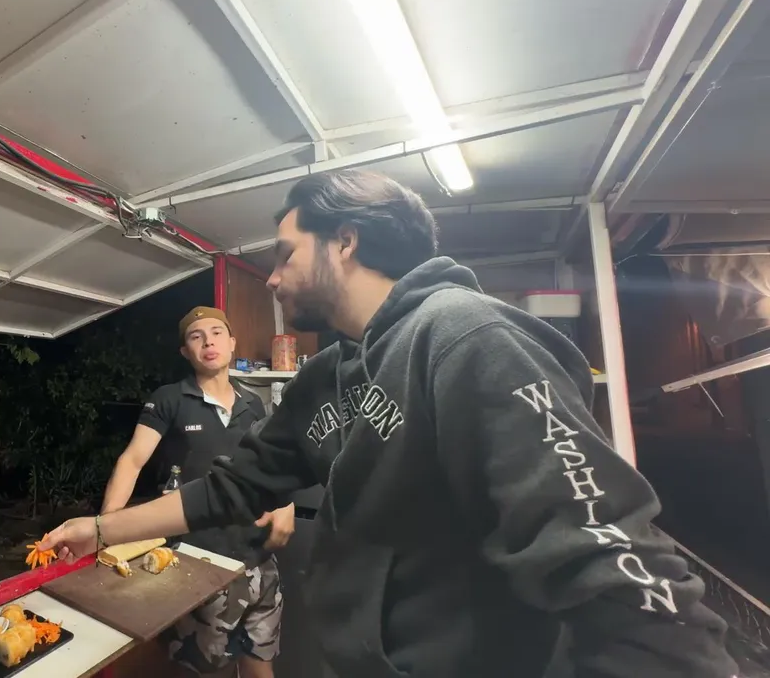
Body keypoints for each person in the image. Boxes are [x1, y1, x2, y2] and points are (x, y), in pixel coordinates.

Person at [40, 170, 738, 678]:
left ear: (344, 242)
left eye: (285, 254)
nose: (272, 279)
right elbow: (232, 488)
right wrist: (99, 530)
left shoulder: (466, 337)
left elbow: (606, 551)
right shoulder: (325, 378)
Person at [102, 306, 293, 677]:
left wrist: (285, 503)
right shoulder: (170, 399)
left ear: (232, 343)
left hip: (257, 558)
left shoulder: (253, 404)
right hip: (197, 559)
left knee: (260, 663)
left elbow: (271, 468)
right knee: (202, 668)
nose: (208, 342)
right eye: (196, 336)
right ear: (185, 352)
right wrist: (106, 527)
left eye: (217, 333)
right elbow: (133, 460)